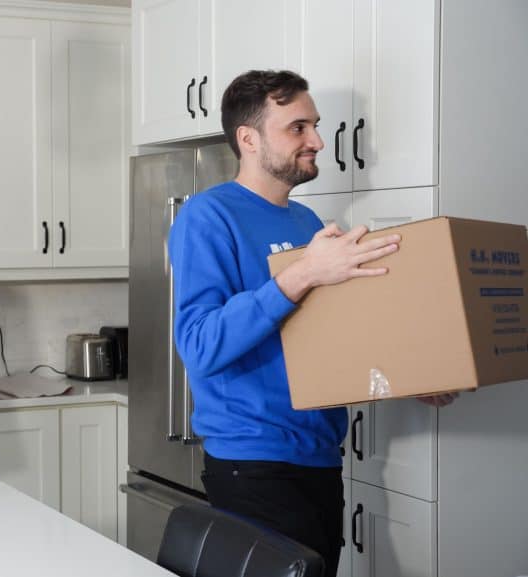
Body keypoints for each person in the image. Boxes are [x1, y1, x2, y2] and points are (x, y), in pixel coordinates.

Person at [168, 69, 456, 574]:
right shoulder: (207, 216)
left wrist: (411, 377)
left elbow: (331, 338)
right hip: (252, 463)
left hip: (320, 457)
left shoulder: (306, 224)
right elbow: (199, 344)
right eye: (298, 128)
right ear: (248, 139)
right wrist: (300, 275)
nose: (318, 141)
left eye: (316, 126)